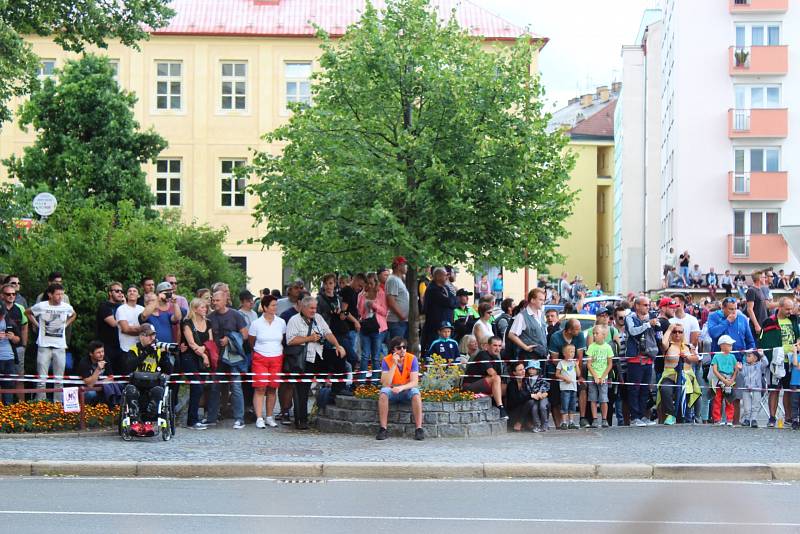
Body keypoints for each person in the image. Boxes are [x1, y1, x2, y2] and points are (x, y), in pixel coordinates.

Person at [286, 296, 346, 430]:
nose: (314, 310)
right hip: (304, 358)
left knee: (339, 357)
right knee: (303, 390)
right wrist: (310, 338)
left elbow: (328, 333)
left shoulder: (318, 318)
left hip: (318, 354)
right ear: (304, 307)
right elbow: (290, 341)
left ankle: (337, 391)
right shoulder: (294, 320)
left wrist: (337, 345)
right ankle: (301, 420)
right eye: (311, 308)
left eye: (315, 308)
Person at [205, 290, 249, 429]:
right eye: (213, 300)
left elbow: (245, 335)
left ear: (225, 300)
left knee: (236, 386)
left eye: (217, 300)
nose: (214, 303)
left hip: (233, 357)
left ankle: (239, 419)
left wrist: (230, 339)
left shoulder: (236, 315)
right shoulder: (210, 317)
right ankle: (211, 417)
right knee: (214, 387)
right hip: (217, 357)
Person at [26, 283, 76, 401]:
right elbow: (27, 312)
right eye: (58, 294)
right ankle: (41, 404)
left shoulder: (65, 306)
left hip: (60, 346)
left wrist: (66, 324)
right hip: (44, 345)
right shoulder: (42, 306)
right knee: (42, 379)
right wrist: (37, 324)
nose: (60, 297)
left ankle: (57, 405)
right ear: (50, 294)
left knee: (59, 379)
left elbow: (73, 314)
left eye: (62, 294)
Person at [758, 296, 799, 427]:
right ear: (779, 307)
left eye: (791, 309)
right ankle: (772, 417)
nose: (789, 311)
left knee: (788, 389)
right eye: (787, 309)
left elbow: (798, 336)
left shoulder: (793, 320)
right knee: (774, 389)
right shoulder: (769, 321)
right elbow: (763, 340)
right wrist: (767, 358)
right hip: (775, 361)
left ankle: (788, 417)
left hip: (790, 360)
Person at [248, 295, 286, 429]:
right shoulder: (256, 324)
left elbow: (282, 339)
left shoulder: (281, 322)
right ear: (265, 307)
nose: (275, 307)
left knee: (272, 388)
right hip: (260, 358)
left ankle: (269, 416)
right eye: (273, 305)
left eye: (276, 305)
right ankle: (259, 417)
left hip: (277, 357)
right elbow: (251, 341)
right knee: (260, 387)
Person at [376, 337, 424, 440]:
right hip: (392, 389)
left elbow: (414, 382)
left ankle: (419, 429)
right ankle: (383, 428)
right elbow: (385, 383)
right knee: (383, 393)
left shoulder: (412, 359)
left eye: (404, 347)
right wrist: (394, 364)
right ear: (393, 350)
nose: (402, 350)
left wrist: (402, 388)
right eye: (399, 347)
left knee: (416, 393)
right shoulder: (386, 360)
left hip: (406, 389)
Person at [316, 273, 354, 398]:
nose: (328, 286)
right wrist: (329, 313)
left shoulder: (338, 298)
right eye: (326, 283)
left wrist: (341, 313)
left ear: (335, 284)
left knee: (343, 357)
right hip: (327, 331)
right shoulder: (319, 299)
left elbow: (344, 313)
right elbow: (318, 315)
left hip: (338, 331)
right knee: (330, 357)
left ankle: (339, 386)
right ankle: (327, 386)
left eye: (331, 283)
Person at [624, 297, 661, 427]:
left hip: (649, 357)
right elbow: (633, 332)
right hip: (635, 359)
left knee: (645, 389)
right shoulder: (630, 317)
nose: (648, 307)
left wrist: (657, 327)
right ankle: (634, 417)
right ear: (637, 306)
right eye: (645, 305)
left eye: (649, 305)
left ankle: (642, 416)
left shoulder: (650, 317)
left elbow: (657, 335)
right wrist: (647, 324)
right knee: (634, 389)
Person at [124, 324, 173, 419]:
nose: (152, 338)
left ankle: (149, 419)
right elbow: (129, 367)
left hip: (153, 384)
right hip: (137, 383)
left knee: (158, 391)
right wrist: (146, 353)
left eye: (154, 335)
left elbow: (168, 370)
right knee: (130, 390)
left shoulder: (159, 349)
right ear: (141, 336)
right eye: (149, 335)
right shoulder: (133, 349)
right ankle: (134, 419)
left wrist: (164, 356)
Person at [658, 322, 701, 425]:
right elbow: (663, 343)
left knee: (692, 391)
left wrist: (687, 357)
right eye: (675, 331)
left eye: (680, 332)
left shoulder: (688, 346)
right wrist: (669, 329)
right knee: (665, 388)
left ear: (683, 333)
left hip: (687, 375)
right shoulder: (668, 345)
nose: (677, 334)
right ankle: (670, 414)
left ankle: (693, 416)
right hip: (670, 375)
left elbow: (697, 358)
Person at [548, 318, 587, 427]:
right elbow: (554, 359)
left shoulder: (579, 336)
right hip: (558, 369)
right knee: (556, 397)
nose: (579, 331)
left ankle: (579, 419)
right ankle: (559, 424)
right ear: (569, 330)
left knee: (581, 389)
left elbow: (579, 356)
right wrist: (564, 372)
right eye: (577, 329)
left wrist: (579, 375)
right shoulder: (555, 337)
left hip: (574, 370)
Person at [181, 298, 212, 430]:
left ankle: (194, 418)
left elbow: (210, 341)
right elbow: (191, 342)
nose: (204, 309)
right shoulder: (187, 323)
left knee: (200, 387)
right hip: (189, 357)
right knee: (197, 386)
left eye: (205, 307)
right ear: (194, 309)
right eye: (201, 307)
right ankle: (191, 420)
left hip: (202, 357)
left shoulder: (208, 323)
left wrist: (204, 350)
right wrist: (203, 354)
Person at [461, 336, 508, 419]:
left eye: (499, 346)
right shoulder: (483, 354)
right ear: (488, 346)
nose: (497, 348)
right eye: (495, 345)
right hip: (469, 386)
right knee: (496, 378)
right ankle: (501, 408)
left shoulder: (496, 358)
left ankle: (506, 410)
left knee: (507, 387)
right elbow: (492, 373)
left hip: (483, 385)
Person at [358, 273, 389, 384]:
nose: (370, 286)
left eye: (372, 283)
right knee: (365, 355)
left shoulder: (381, 294)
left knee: (376, 356)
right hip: (366, 327)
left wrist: (374, 305)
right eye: (368, 283)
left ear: (376, 283)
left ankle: (374, 382)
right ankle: (361, 382)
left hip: (378, 328)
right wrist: (363, 296)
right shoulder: (362, 295)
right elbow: (360, 312)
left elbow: (385, 312)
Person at [2, 283, 27, 402]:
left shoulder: (19, 308)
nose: (11, 296)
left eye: (14, 294)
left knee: (17, 378)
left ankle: (18, 406)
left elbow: (24, 328)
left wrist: (23, 345)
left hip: (16, 349)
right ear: (2, 295)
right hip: (2, 352)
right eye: (8, 294)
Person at [507, 288, 548, 361]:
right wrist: (525, 347)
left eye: (543, 300)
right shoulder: (521, 316)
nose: (543, 302)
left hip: (542, 354)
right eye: (540, 300)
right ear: (532, 300)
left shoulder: (541, 314)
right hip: (529, 356)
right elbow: (511, 334)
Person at [421, 267, 456, 351]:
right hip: (436, 326)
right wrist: (452, 301)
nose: (447, 277)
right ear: (438, 276)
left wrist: (453, 301)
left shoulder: (446, 288)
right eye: (445, 275)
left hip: (447, 324)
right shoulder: (432, 289)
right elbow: (449, 302)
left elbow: (455, 302)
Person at [586, 324, 613, 428]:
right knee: (593, 398)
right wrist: (595, 376)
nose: (595, 335)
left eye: (597, 333)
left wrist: (602, 377)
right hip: (592, 376)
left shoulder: (608, 347)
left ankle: (604, 419)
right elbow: (589, 364)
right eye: (594, 333)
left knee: (603, 398)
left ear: (604, 335)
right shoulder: (592, 347)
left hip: (603, 377)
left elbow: (609, 364)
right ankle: (595, 419)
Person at [95, 282, 124, 372]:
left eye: (121, 291)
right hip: (107, 347)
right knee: (109, 374)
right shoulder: (104, 306)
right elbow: (113, 323)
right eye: (117, 291)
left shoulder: (122, 307)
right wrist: (126, 324)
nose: (120, 293)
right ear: (110, 293)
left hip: (121, 345)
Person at [78, 341, 118, 406]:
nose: (102, 354)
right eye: (98, 352)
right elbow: (90, 385)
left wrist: (100, 384)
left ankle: (110, 406)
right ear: (91, 354)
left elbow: (111, 378)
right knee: (91, 394)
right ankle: (89, 408)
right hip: (84, 390)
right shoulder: (84, 363)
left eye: (102, 351)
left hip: (101, 388)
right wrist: (98, 369)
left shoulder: (105, 359)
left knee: (116, 386)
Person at [711, 335, 739, 426]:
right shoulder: (716, 356)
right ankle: (717, 419)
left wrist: (732, 379)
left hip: (730, 380)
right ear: (722, 345)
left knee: (729, 400)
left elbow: (736, 369)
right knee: (717, 400)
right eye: (729, 345)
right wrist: (723, 379)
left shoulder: (732, 357)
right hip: (719, 381)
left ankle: (729, 419)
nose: (731, 347)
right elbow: (715, 370)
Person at [0, 301, 21, 404]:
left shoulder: (9, 321)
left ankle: (8, 410)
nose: (1, 317)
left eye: (2, 314)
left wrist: (12, 337)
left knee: (9, 385)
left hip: (9, 357)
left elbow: (18, 339)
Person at [740, 349, 768, 428]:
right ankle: (747, 419)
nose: (747, 358)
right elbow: (743, 375)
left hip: (756, 388)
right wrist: (740, 369)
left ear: (755, 358)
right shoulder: (744, 365)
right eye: (746, 356)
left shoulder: (759, 365)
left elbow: (766, 363)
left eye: (749, 356)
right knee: (746, 406)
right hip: (746, 388)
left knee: (755, 405)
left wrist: (762, 355)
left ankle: (754, 419)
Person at [115, 285, 145, 357]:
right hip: (126, 349)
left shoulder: (142, 309)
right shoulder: (121, 309)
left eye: (134, 291)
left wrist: (133, 329)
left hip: (141, 348)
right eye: (129, 291)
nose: (132, 292)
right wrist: (142, 331)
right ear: (126, 295)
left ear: (138, 295)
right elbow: (125, 329)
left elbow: (148, 328)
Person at [385, 257, 410, 340]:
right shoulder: (393, 280)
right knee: (397, 348)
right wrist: (402, 316)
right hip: (396, 322)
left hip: (401, 321)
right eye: (405, 264)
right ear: (399, 266)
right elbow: (391, 301)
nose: (407, 267)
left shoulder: (399, 279)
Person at [555, 344, 579, 429]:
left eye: (573, 351)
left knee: (572, 405)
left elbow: (578, 374)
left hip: (573, 387)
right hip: (565, 388)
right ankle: (564, 422)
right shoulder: (561, 363)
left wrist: (576, 365)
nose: (572, 353)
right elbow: (557, 374)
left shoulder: (573, 363)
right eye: (570, 351)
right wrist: (564, 378)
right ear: (564, 353)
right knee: (565, 405)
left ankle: (571, 422)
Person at [505, 361, 533, 431]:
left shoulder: (526, 382)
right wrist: (530, 395)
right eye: (520, 370)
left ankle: (528, 422)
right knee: (530, 402)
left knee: (532, 402)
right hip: (513, 412)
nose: (523, 371)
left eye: (523, 369)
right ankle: (519, 423)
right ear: (514, 373)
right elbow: (515, 400)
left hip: (524, 410)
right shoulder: (511, 384)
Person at [525, 360, 550, 432]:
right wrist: (533, 395)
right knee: (534, 408)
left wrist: (541, 393)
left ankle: (545, 424)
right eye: (530, 368)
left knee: (542, 407)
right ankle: (537, 425)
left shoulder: (542, 378)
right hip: (534, 398)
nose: (531, 370)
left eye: (533, 369)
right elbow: (527, 389)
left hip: (543, 396)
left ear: (537, 370)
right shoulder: (527, 379)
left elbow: (546, 387)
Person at [746, 271, 769, 337]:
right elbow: (750, 309)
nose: (766, 279)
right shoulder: (751, 290)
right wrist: (756, 325)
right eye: (764, 277)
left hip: (763, 324)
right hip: (757, 325)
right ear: (759, 278)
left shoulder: (760, 290)